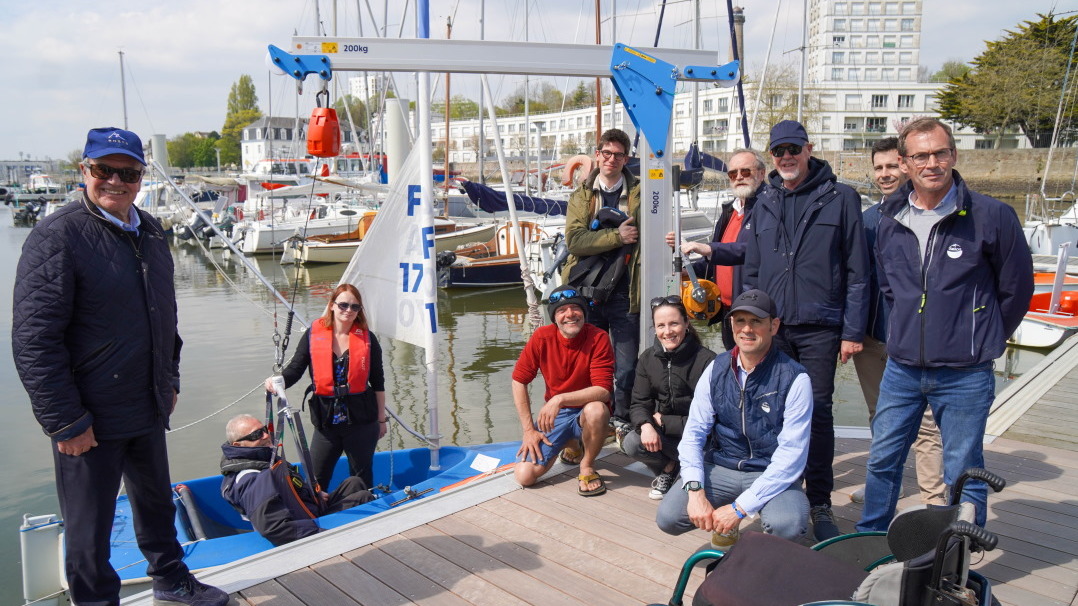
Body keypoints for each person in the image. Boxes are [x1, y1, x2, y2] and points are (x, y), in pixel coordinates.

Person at [11, 127, 228, 605]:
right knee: (89, 532)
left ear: (141, 177)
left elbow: (164, 316)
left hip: (146, 401)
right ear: (84, 171)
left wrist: (168, 379)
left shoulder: (151, 230)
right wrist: (65, 420)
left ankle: (171, 580)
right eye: (103, 170)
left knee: (155, 505)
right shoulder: (58, 236)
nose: (115, 181)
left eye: (127, 172)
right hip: (88, 414)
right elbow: (33, 340)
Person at [857, 118, 1034, 531]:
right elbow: (890, 289)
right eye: (920, 155)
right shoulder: (888, 218)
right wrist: (901, 333)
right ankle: (870, 535)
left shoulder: (992, 216)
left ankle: (959, 553)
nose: (931, 162)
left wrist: (981, 336)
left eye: (940, 153)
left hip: (965, 372)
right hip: (901, 368)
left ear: (953, 155)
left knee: (963, 467)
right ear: (904, 162)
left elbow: (1017, 290)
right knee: (883, 457)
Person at [742, 120, 869, 541]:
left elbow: (857, 271)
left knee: (817, 412)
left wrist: (853, 330)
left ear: (809, 149)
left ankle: (819, 500)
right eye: (778, 151)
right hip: (774, 327)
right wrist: (750, 324)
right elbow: (753, 270)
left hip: (820, 327)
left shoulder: (842, 198)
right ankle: (782, 492)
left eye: (793, 148)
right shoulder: (764, 201)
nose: (786, 157)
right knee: (772, 411)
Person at [656, 290, 811, 544]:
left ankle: (765, 554)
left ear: (774, 326)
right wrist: (695, 490)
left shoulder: (796, 378)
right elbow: (693, 435)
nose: (747, 329)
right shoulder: (716, 368)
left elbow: (792, 457)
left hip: (769, 470)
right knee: (669, 517)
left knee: (787, 525)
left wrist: (738, 509)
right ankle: (728, 520)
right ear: (731, 324)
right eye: (740, 321)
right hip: (722, 465)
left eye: (756, 321)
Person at [850, 137, 945, 506]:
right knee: (880, 417)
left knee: (925, 425)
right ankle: (881, 487)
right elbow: (856, 279)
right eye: (879, 168)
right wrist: (852, 332)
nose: (886, 174)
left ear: (907, 165)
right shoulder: (869, 220)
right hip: (872, 339)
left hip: (916, 341)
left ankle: (934, 498)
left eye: (892, 165)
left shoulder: (929, 214)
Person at [561, 128, 641, 441]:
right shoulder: (582, 194)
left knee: (626, 367)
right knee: (585, 366)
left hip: (625, 292)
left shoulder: (640, 193)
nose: (611, 159)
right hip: (587, 293)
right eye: (606, 153)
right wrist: (616, 237)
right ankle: (586, 425)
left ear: (626, 158)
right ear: (598, 154)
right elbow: (575, 241)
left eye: (618, 155)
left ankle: (619, 423)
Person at [267, 283, 386, 491]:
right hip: (326, 422)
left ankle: (362, 514)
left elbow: (378, 382)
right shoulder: (314, 335)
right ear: (332, 305)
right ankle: (318, 517)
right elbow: (296, 368)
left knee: (361, 479)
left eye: (354, 307)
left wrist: (381, 420)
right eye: (343, 305)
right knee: (315, 479)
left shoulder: (368, 339)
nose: (348, 311)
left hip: (362, 422)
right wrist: (279, 381)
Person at [512, 285, 614, 496]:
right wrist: (529, 431)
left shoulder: (599, 337)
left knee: (597, 410)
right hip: (557, 416)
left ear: (584, 312)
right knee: (525, 475)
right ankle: (573, 444)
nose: (569, 314)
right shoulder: (541, 337)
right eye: (561, 310)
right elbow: (518, 381)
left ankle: (586, 465)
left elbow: (603, 391)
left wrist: (559, 399)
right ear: (554, 317)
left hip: (586, 410)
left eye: (575, 308)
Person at [220, 414, 375, 546]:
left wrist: (314, 495)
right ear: (237, 445)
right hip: (306, 527)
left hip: (307, 511)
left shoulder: (262, 458)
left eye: (264, 430)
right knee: (364, 498)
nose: (266, 436)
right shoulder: (253, 478)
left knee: (354, 482)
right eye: (256, 435)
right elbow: (275, 529)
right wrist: (324, 535)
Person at [665, 148, 767, 350]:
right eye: (733, 173)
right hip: (727, 309)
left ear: (761, 173)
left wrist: (707, 247)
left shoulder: (768, 207)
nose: (739, 177)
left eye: (745, 172)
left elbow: (752, 250)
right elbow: (717, 258)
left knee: (757, 369)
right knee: (735, 367)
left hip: (754, 311)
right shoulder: (731, 209)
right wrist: (689, 271)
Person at [623, 295, 717, 500]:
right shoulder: (647, 359)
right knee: (632, 441)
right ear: (655, 329)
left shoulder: (708, 361)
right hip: (668, 439)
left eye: (674, 323)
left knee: (693, 486)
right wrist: (646, 425)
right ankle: (668, 468)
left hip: (700, 440)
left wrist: (665, 422)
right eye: (661, 325)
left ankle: (685, 474)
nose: (668, 332)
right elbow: (639, 403)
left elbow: (712, 418)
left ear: (686, 323)